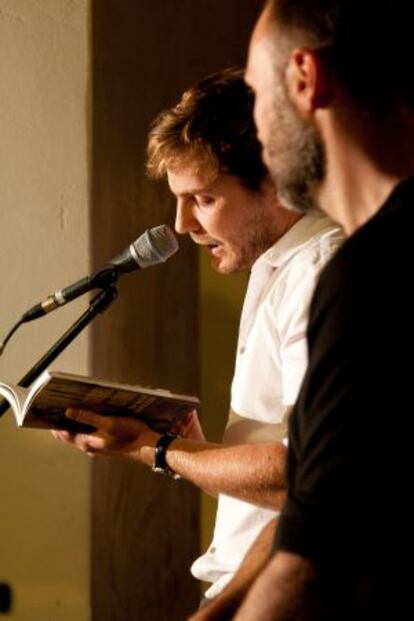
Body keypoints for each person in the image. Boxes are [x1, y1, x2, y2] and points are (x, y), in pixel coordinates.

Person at [51, 68, 342, 603]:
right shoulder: (275, 265)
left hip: (279, 598)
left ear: (274, 181)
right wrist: (192, 449)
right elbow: (274, 483)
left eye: (202, 199)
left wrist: (152, 448)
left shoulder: (319, 271)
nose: (181, 225)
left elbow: (309, 476)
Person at [191, 1, 414, 619]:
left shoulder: (368, 273)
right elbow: (316, 507)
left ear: (304, 78)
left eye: (260, 95)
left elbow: (320, 568)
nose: (258, 132)